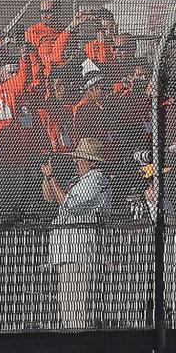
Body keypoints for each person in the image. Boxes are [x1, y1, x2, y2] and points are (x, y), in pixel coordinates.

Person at [43, 137, 111, 330]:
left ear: (91, 162)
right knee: (70, 313)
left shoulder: (96, 180)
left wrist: (53, 180)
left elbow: (68, 204)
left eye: (80, 158)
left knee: (79, 315)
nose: (76, 161)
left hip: (82, 254)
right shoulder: (80, 181)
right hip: (69, 253)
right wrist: (48, 177)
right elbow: (51, 197)